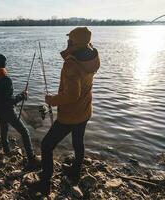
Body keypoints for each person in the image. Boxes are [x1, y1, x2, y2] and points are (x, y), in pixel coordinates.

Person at [29, 27, 101, 195]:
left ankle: (45, 184)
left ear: (74, 42)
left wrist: (51, 100)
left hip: (70, 115)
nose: (67, 41)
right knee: (78, 143)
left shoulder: (71, 63)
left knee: (47, 146)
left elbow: (71, 95)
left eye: (70, 39)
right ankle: (75, 173)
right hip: (85, 110)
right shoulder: (92, 56)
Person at [0, 54, 39, 170]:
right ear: (4, 64)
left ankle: (7, 151)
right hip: (9, 111)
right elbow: (10, 101)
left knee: (4, 129)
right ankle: (31, 158)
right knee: (24, 132)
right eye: (6, 62)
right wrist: (22, 95)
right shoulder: (6, 79)